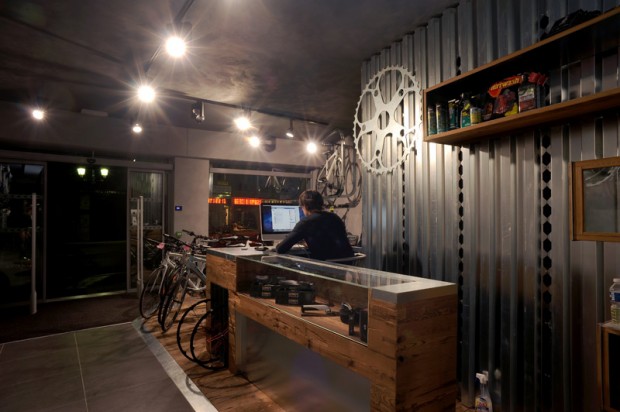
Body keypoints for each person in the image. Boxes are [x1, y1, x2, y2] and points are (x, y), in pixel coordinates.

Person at [275, 190, 354, 261]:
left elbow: (281, 249)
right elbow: (328, 240)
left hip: (326, 267)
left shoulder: (306, 222)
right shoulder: (335, 217)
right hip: (347, 264)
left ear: (304, 206)